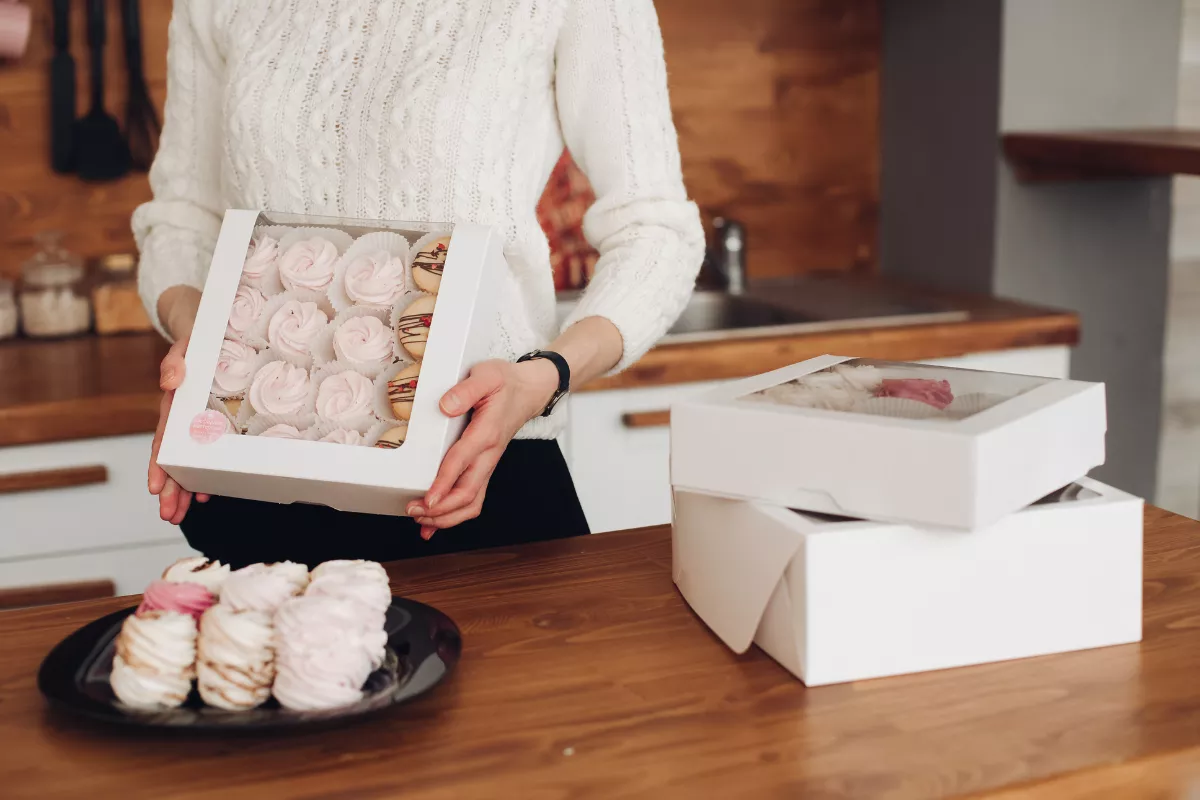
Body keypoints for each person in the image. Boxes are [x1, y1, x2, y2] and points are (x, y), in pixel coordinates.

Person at [137, 0, 704, 568]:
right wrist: (202, 344)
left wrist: (545, 375)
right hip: (248, 474)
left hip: (475, 465)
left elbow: (655, 230)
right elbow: (182, 219)